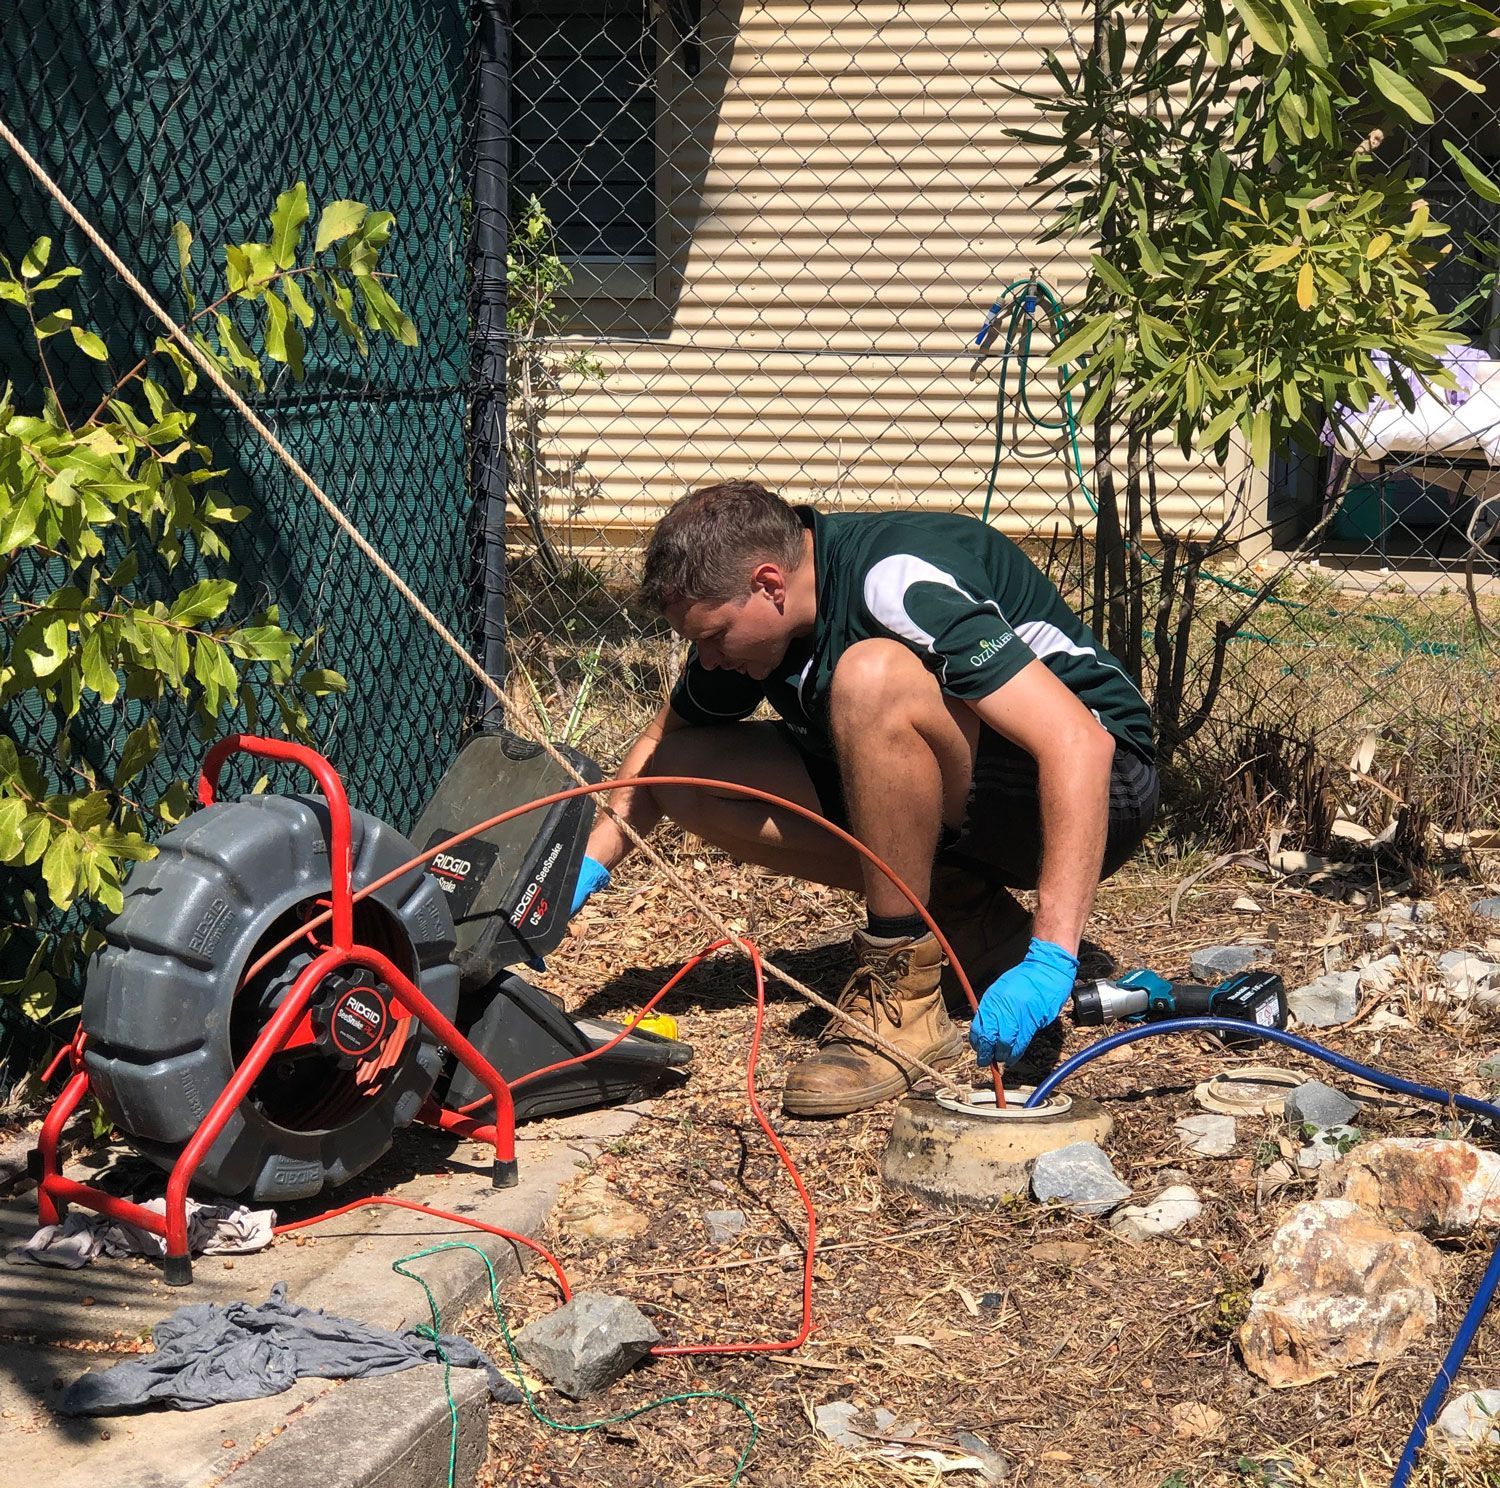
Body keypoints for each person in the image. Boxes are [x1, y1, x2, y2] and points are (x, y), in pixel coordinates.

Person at [568, 480, 1158, 1116]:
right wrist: (575, 877)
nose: (704, 657)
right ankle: (965, 919)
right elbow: (661, 746)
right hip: (979, 801)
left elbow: (1078, 744)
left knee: (872, 678)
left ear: (769, 585)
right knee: (683, 771)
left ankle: (905, 999)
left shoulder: (893, 579)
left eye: (713, 635)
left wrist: (1052, 959)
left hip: (1100, 788)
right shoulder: (758, 634)